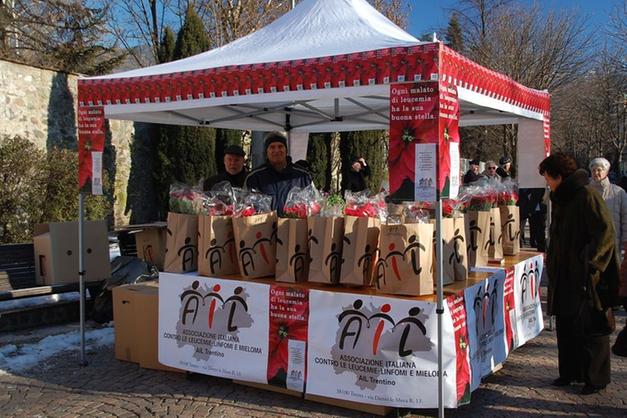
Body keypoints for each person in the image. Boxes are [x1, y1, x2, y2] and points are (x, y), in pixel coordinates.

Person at [540, 153, 619, 395]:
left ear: (560, 176)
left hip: (586, 276)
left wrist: (592, 265)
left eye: (548, 178)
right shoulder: (561, 197)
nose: (547, 183)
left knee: (591, 326)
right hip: (564, 274)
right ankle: (570, 372)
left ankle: (596, 377)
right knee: (566, 324)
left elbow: (606, 233)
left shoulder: (586, 196)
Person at [245, 131, 312, 215]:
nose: (276, 150)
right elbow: (247, 207)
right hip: (263, 226)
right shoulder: (254, 177)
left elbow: (312, 205)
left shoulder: (303, 176)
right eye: (272, 147)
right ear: (267, 152)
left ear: (286, 150)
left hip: (294, 226)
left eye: (280, 146)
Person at [588, 157, 627, 256]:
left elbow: (625, 221)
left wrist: (624, 246)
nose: (596, 173)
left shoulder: (619, 193)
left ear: (607, 171)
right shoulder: (585, 192)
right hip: (590, 249)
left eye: (599, 170)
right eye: (593, 170)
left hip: (614, 248)